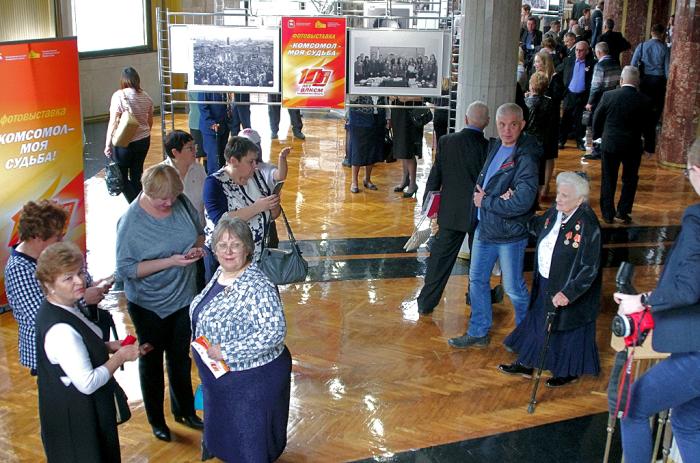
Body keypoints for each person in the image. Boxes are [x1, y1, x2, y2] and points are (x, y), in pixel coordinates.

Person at [615, 138, 700, 463]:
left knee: (632, 407)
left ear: (695, 170)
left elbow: (688, 288)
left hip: (697, 351)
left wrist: (642, 301)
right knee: (688, 423)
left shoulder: (697, 217)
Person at [190, 217, 291, 462]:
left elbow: (274, 332)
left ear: (247, 248)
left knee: (249, 441)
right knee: (228, 434)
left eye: (235, 245)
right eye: (222, 245)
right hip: (222, 379)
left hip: (250, 382)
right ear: (213, 250)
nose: (227, 251)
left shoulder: (258, 286)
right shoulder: (221, 273)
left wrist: (226, 351)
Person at [116, 164, 204, 441]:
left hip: (183, 297)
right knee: (151, 361)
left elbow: (198, 232)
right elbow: (126, 269)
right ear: (146, 191)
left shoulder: (181, 202)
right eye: (162, 199)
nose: (169, 203)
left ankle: (185, 411)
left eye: (172, 197)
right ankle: (157, 420)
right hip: (148, 304)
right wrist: (171, 261)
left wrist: (196, 248)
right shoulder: (131, 222)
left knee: (180, 357)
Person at [35, 241, 140, 462]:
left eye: (80, 272)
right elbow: (88, 382)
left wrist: (109, 346)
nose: (79, 281)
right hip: (79, 419)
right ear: (49, 284)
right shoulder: (61, 330)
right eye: (68, 278)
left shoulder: (65, 305)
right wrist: (121, 357)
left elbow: (79, 350)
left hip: (80, 412)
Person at [449, 103, 540, 349]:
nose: (507, 130)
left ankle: (525, 334)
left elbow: (522, 201)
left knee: (514, 288)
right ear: (495, 124)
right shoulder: (496, 146)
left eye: (513, 124)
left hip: (510, 234)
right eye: (502, 124)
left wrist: (487, 201)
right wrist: (496, 199)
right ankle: (478, 332)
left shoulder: (526, 157)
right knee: (477, 281)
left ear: (522, 125)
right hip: (485, 229)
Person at [499, 172, 602, 387]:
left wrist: (569, 293)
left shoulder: (588, 224)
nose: (558, 199)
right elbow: (535, 225)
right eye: (559, 194)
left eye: (564, 196)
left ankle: (568, 371)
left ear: (580, 200)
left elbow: (589, 268)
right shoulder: (556, 212)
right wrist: (513, 204)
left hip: (569, 288)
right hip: (546, 280)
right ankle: (528, 362)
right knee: (538, 322)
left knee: (567, 330)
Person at [4, 200, 110, 376]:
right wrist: (84, 297)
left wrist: (90, 285)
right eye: (57, 237)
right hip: (48, 350)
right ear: (37, 237)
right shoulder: (18, 269)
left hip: (76, 334)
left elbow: (79, 275)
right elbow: (39, 315)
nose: (62, 240)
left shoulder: (52, 254)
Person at [416, 102, 490, 315]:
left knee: (439, 262)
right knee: (477, 263)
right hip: (478, 214)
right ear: (485, 123)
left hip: (451, 213)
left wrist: (428, 207)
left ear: (466, 119)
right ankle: (474, 300)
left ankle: (426, 303)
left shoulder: (447, 142)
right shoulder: (488, 148)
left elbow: (435, 178)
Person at [203, 136, 281, 280]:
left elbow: (271, 214)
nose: (255, 166)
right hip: (227, 262)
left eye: (255, 161)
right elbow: (221, 221)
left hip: (258, 258)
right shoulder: (214, 183)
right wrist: (257, 207)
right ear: (233, 161)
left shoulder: (256, 176)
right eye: (250, 162)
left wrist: (274, 205)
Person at [592, 66, 655, 224]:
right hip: (632, 146)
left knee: (608, 178)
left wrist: (597, 137)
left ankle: (607, 213)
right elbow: (649, 127)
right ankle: (623, 211)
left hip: (610, 144)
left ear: (621, 80)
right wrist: (649, 148)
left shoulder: (608, 96)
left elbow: (597, 118)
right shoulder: (645, 100)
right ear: (638, 82)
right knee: (630, 180)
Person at [104, 67, 154, 203]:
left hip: (124, 143)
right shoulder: (146, 96)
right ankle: (142, 203)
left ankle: (135, 205)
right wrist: (144, 132)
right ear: (137, 80)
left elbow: (113, 122)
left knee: (122, 177)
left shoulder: (119, 96)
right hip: (144, 140)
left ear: (123, 81)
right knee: (137, 173)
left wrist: (108, 144)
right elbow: (150, 120)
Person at [583, 41, 621, 161]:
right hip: (612, 96)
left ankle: (596, 150)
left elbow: (595, 86)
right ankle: (604, 148)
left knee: (596, 124)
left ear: (598, 52)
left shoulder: (600, 66)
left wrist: (589, 102)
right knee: (606, 124)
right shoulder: (616, 63)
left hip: (600, 98)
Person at [161, 130, 207, 226]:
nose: (195, 151)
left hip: (199, 228)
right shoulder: (161, 174)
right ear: (175, 152)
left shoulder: (199, 169)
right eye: (190, 148)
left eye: (195, 146)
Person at [535, 51, 564, 199]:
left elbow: (558, 97)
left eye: (538, 62)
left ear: (545, 63)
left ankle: (545, 185)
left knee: (548, 155)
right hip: (538, 122)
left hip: (550, 122)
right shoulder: (535, 76)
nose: (535, 65)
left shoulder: (555, 78)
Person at [631, 23, 670, 129]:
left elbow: (633, 64)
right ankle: (653, 123)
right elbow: (667, 68)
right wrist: (668, 83)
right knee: (657, 103)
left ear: (651, 32)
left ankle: (642, 122)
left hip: (644, 78)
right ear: (662, 34)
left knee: (643, 100)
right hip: (659, 79)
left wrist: (635, 79)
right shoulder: (664, 48)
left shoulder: (642, 45)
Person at [347, 95, 388, 193]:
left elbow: (385, 97)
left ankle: (367, 179)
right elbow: (351, 96)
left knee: (372, 148)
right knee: (357, 148)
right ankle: (354, 181)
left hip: (378, 114)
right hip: (359, 115)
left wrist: (388, 116)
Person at [559, 40, 594, 151]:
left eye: (581, 50)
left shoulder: (592, 64)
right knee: (565, 120)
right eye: (577, 50)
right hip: (570, 94)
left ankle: (580, 142)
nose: (578, 52)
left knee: (580, 121)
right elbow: (558, 72)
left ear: (587, 51)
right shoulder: (568, 61)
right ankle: (561, 140)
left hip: (583, 95)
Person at [524, 72, 554, 200]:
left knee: (530, 169)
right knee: (541, 170)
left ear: (531, 86)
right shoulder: (550, 102)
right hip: (545, 139)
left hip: (530, 140)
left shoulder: (527, 102)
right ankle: (540, 193)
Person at [391, 96, 426, 198]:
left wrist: (407, 98)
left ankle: (413, 183)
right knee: (402, 149)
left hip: (411, 114)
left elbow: (423, 97)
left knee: (408, 148)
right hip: (398, 112)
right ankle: (405, 179)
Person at [199, 91, 230, 174]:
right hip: (211, 129)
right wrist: (211, 122)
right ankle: (213, 183)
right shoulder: (204, 87)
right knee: (214, 160)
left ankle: (222, 181)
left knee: (222, 157)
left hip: (224, 127)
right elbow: (202, 106)